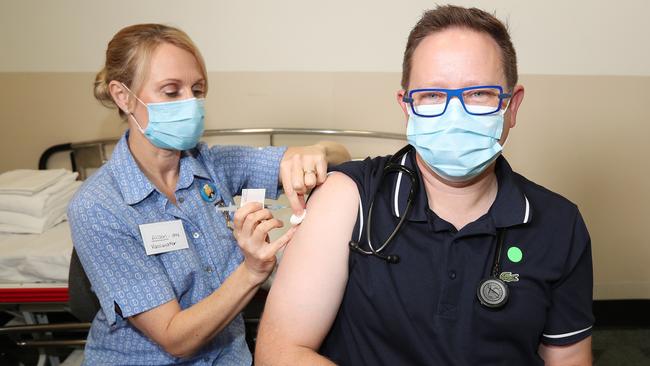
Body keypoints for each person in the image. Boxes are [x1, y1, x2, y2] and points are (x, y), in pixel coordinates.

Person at [256, 5, 593, 365]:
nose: (455, 113)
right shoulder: (349, 197)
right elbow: (280, 353)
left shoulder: (559, 224)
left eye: (479, 94)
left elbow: (569, 358)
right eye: (432, 95)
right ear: (406, 106)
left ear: (511, 107)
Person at [67, 23, 350, 365]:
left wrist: (316, 151)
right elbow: (175, 339)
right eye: (171, 92)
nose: (191, 104)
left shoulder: (212, 166)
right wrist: (252, 271)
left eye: (197, 90)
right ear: (123, 96)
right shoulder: (98, 207)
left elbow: (339, 156)